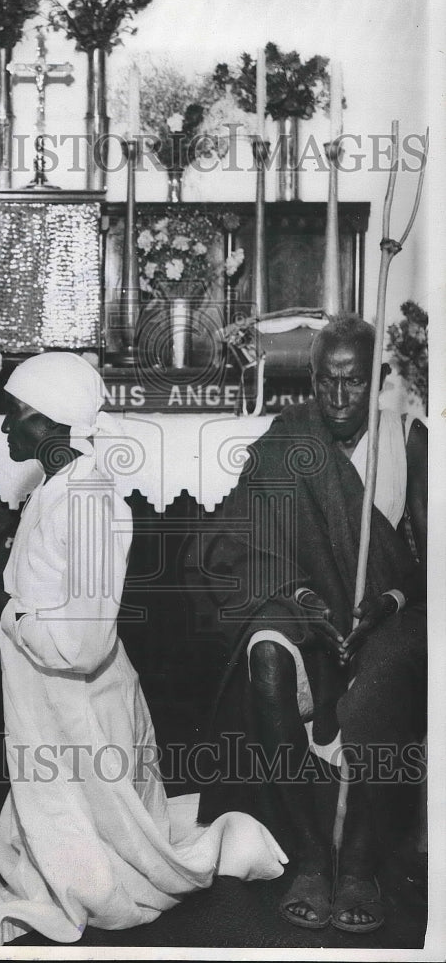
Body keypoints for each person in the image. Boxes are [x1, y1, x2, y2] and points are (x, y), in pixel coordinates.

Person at [0, 352, 288, 946]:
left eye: (15, 415)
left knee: (99, 874)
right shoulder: (59, 485)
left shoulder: (89, 500)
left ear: (49, 422)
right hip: (57, 714)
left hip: (85, 717)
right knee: (53, 836)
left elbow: (81, 647)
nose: (6, 428)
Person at [196, 313, 427, 934]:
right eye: (326, 381)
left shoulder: (407, 441)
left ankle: (356, 865)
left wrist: (390, 604)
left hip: (383, 612)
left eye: (353, 383)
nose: (337, 397)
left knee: (388, 676)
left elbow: (429, 566)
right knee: (266, 653)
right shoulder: (289, 437)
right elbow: (248, 540)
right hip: (303, 606)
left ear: (378, 379)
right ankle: (308, 855)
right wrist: (300, 597)